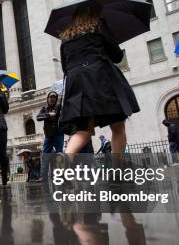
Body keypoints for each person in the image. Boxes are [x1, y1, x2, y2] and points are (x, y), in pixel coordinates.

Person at [58, 10, 140, 156]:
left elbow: (65, 68)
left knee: (83, 129)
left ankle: (66, 157)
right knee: (117, 126)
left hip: (76, 81)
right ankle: (117, 170)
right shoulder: (98, 26)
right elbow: (117, 56)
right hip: (101, 77)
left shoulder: (66, 38)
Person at [37, 91, 64, 180]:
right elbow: (38, 117)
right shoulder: (44, 108)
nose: (52, 99)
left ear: (56, 99)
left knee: (59, 154)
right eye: (50, 97)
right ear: (47, 98)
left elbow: (64, 116)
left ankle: (60, 174)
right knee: (45, 155)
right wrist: (48, 115)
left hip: (58, 134)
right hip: (48, 136)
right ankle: (43, 176)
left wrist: (58, 114)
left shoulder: (59, 107)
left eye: (54, 97)